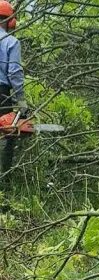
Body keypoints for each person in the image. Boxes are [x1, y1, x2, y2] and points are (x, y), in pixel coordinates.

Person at [0, 1, 27, 175]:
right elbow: (14, 72)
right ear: (10, 20)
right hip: (1, 94)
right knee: (5, 135)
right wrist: (21, 100)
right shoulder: (11, 42)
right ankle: (4, 182)